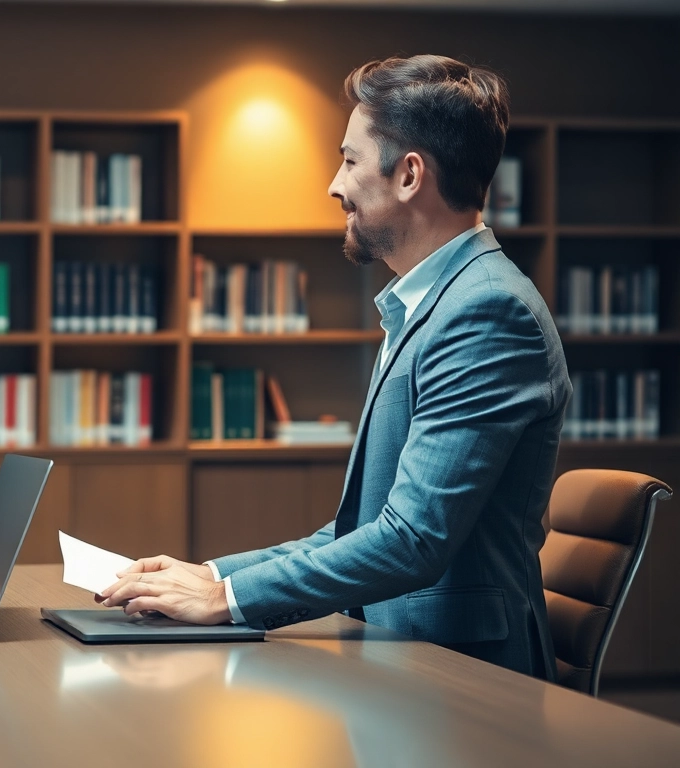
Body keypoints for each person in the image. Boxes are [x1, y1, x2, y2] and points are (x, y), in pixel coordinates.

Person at [101, 54, 568, 680]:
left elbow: (413, 539)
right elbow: (360, 528)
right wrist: (212, 576)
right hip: (401, 657)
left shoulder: (485, 311)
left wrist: (226, 601)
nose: (333, 184)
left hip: (464, 678)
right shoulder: (429, 302)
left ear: (408, 175)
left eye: (349, 159)